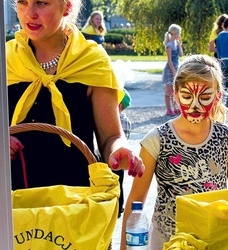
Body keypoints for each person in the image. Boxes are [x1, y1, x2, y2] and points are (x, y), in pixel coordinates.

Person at [7, 0, 144, 191]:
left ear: (68, 7)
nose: (30, 13)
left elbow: (110, 137)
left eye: (41, 3)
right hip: (12, 199)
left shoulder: (92, 59)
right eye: (23, 2)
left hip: (74, 200)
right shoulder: (5, 58)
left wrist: (119, 149)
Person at [120, 54, 228, 249]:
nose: (195, 105)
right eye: (187, 97)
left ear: (218, 95)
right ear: (175, 94)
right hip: (168, 243)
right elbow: (135, 202)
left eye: (205, 97)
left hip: (214, 241)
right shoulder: (157, 139)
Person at [115, 88, 133, 218]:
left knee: (116, 184)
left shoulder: (120, 121)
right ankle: (119, 206)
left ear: (119, 105)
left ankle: (117, 206)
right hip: (119, 161)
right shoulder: (127, 121)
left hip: (116, 159)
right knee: (119, 183)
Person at [162, 24, 183, 116]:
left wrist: (179, 44)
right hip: (170, 70)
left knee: (174, 90)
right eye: (179, 33)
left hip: (176, 68)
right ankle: (168, 109)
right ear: (174, 34)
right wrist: (173, 71)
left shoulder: (175, 43)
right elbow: (169, 60)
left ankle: (175, 107)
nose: (180, 35)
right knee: (168, 90)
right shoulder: (169, 45)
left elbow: (181, 54)